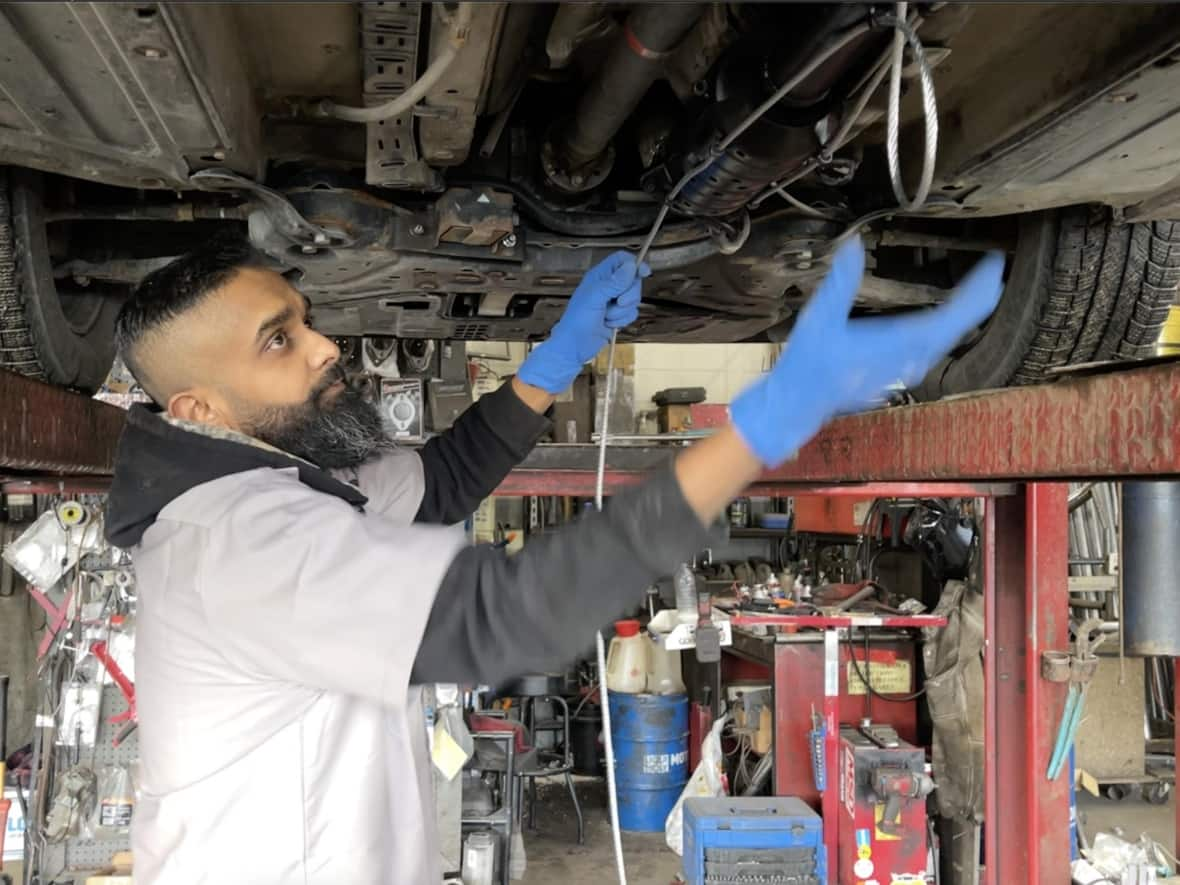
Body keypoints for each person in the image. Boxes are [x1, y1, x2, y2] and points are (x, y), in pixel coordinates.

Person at [104, 231, 1003, 884]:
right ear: (201, 408)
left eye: (303, 321)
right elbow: (513, 614)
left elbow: (442, 479)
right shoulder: (241, 544)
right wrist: (762, 426)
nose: (324, 345)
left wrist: (558, 355)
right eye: (279, 340)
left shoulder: (278, 484)